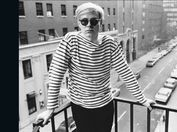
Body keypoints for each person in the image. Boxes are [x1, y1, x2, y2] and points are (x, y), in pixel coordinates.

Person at [36, 2, 155, 132]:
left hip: (105, 106)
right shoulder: (70, 41)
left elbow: (126, 73)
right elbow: (55, 74)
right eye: (84, 21)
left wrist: (142, 99)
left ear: (100, 23)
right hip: (81, 108)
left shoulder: (109, 43)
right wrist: (50, 109)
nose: (88, 25)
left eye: (93, 21)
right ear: (78, 23)